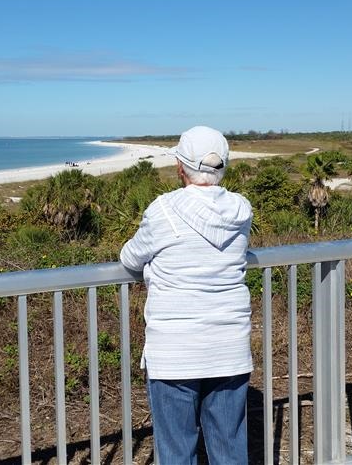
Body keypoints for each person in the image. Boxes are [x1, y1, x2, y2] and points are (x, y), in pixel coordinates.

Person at [120, 126, 253, 465]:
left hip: (175, 350)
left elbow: (131, 258)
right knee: (230, 450)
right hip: (229, 345)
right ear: (222, 166)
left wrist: (151, 271)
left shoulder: (164, 209)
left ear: (181, 166)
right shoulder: (241, 210)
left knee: (177, 451)